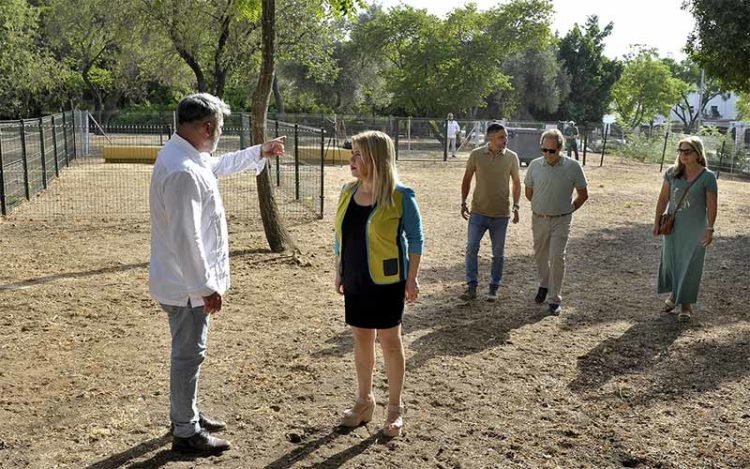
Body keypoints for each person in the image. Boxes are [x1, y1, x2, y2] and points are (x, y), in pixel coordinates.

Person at [149, 93, 284, 454]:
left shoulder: (189, 158)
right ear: (207, 127)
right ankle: (184, 430)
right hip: (186, 286)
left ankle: (186, 413)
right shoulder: (182, 171)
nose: (220, 133)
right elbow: (187, 238)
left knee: (189, 353)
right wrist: (206, 287)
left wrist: (259, 151)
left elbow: (218, 165)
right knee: (188, 355)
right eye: (220, 127)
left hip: (184, 282)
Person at [334, 130, 423, 438]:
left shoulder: (400, 195)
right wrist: (339, 270)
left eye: (358, 154)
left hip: (388, 281)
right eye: (351, 154)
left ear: (376, 158)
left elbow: (416, 238)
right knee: (361, 339)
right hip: (356, 278)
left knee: (390, 342)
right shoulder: (348, 191)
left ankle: (395, 409)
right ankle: (364, 402)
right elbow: (340, 236)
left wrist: (411, 278)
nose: (352, 160)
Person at [524, 128, 588, 316]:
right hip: (539, 218)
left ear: (560, 148)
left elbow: (583, 194)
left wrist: (568, 210)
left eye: (551, 151)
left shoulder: (573, 166)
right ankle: (544, 284)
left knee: (557, 257)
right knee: (541, 255)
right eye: (544, 150)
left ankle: (554, 299)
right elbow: (529, 192)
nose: (547, 154)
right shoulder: (535, 165)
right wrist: (541, 206)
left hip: (561, 220)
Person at [652, 136, 718, 320]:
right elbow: (663, 198)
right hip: (673, 227)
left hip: (695, 228)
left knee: (690, 264)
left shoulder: (708, 177)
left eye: (687, 151)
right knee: (673, 261)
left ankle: (686, 306)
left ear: (698, 154)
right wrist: (657, 222)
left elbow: (712, 205)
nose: (682, 155)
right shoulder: (672, 173)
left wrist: (710, 228)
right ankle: (674, 296)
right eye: (680, 151)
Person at [460, 122, 521, 302]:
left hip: (501, 214)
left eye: (506, 136)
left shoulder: (512, 157)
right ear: (490, 138)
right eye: (502, 137)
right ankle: (472, 286)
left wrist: (516, 206)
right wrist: (463, 202)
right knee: (471, 248)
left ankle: (494, 288)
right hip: (478, 212)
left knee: (498, 253)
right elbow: (467, 178)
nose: (505, 140)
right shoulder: (476, 155)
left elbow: (517, 183)